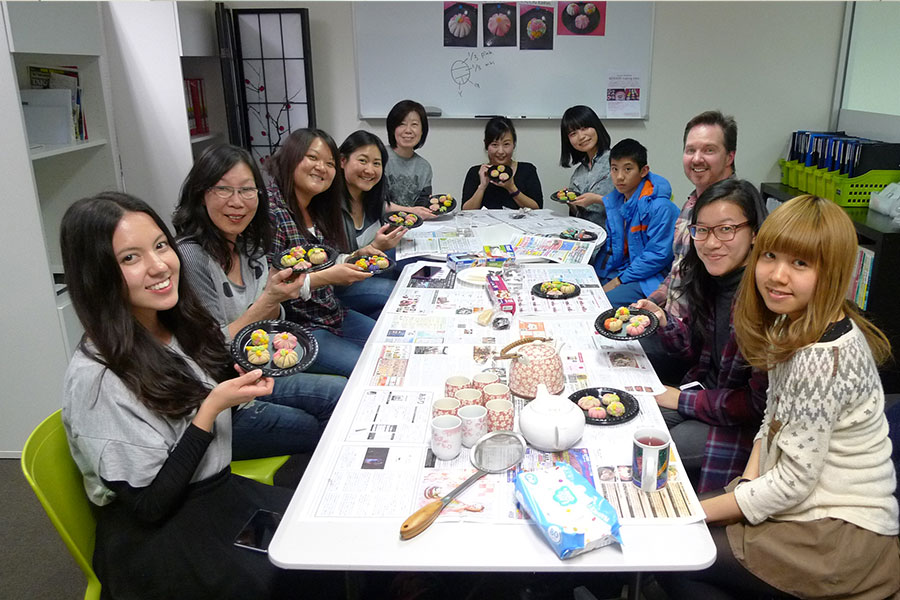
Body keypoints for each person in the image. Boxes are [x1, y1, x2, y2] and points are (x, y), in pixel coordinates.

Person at [59, 192, 339, 598]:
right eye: (130, 258)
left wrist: (233, 389)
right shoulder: (96, 379)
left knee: (323, 536)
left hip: (216, 494)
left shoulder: (171, 325)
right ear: (95, 273)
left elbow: (198, 401)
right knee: (295, 575)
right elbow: (150, 506)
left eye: (160, 245)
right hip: (165, 536)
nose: (159, 265)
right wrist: (212, 408)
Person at [662, 195, 899, 599]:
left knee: (679, 553)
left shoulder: (821, 358)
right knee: (685, 526)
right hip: (802, 504)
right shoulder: (791, 323)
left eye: (800, 263)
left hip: (838, 533)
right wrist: (744, 484)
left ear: (833, 271)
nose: (777, 276)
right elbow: (771, 420)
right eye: (770, 256)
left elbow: (792, 483)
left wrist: (695, 511)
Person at [172, 144, 344, 460]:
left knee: (342, 395)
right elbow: (212, 349)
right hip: (220, 401)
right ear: (200, 194)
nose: (237, 202)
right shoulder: (191, 257)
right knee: (317, 426)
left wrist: (278, 297)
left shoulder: (248, 246)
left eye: (247, 190)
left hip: (257, 374)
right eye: (223, 189)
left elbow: (272, 319)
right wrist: (270, 300)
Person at [634, 179, 768, 493]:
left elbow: (756, 405)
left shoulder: (764, 297)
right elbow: (694, 351)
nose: (710, 243)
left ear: (754, 233)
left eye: (726, 229)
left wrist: (682, 399)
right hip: (705, 392)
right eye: (702, 230)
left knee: (665, 447)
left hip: (742, 422)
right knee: (638, 419)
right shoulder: (709, 279)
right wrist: (664, 321)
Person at [266, 128, 383, 377]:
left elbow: (327, 258)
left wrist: (352, 257)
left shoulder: (319, 206)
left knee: (388, 346)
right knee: (370, 371)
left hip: (331, 312)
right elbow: (273, 288)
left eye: (329, 163)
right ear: (291, 157)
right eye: (312, 157)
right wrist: (328, 277)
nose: (322, 168)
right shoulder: (272, 212)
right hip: (298, 327)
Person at [647, 110, 737, 318]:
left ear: (729, 157)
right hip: (671, 323)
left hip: (698, 332)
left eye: (709, 150)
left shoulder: (735, 212)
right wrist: (651, 303)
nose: (697, 159)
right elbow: (678, 270)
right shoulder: (691, 203)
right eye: (690, 150)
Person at [594, 138, 678, 306]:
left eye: (628, 169)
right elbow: (612, 248)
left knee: (601, 303)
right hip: (625, 269)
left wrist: (618, 281)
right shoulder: (616, 202)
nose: (619, 177)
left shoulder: (661, 207)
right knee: (584, 291)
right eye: (614, 169)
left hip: (653, 277)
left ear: (643, 171)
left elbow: (657, 256)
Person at [338, 130, 407, 255]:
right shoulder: (329, 208)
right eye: (363, 161)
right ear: (342, 161)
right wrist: (376, 247)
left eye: (376, 163)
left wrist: (388, 231)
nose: (370, 170)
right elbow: (331, 261)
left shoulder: (373, 198)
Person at [461, 116, 542, 210]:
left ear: (514, 144)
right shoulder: (476, 172)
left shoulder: (527, 170)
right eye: (494, 145)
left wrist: (511, 187)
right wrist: (482, 186)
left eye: (506, 144)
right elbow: (465, 212)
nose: (500, 151)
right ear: (486, 145)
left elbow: (538, 209)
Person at [559, 105, 613, 227]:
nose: (581, 137)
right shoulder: (578, 173)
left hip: (613, 234)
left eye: (584, 128)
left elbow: (631, 203)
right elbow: (579, 215)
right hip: (585, 233)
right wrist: (570, 202)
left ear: (596, 127)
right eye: (573, 133)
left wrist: (597, 199)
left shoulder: (616, 161)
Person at [383, 99, 435, 219]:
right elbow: (375, 203)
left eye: (414, 125)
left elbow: (422, 204)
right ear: (392, 128)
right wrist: (411, 211)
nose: (408, 130)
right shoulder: (379, 158)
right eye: (402, 124)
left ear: (422, 131)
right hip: (382, 224)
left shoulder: (424, 167)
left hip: (412, 224)